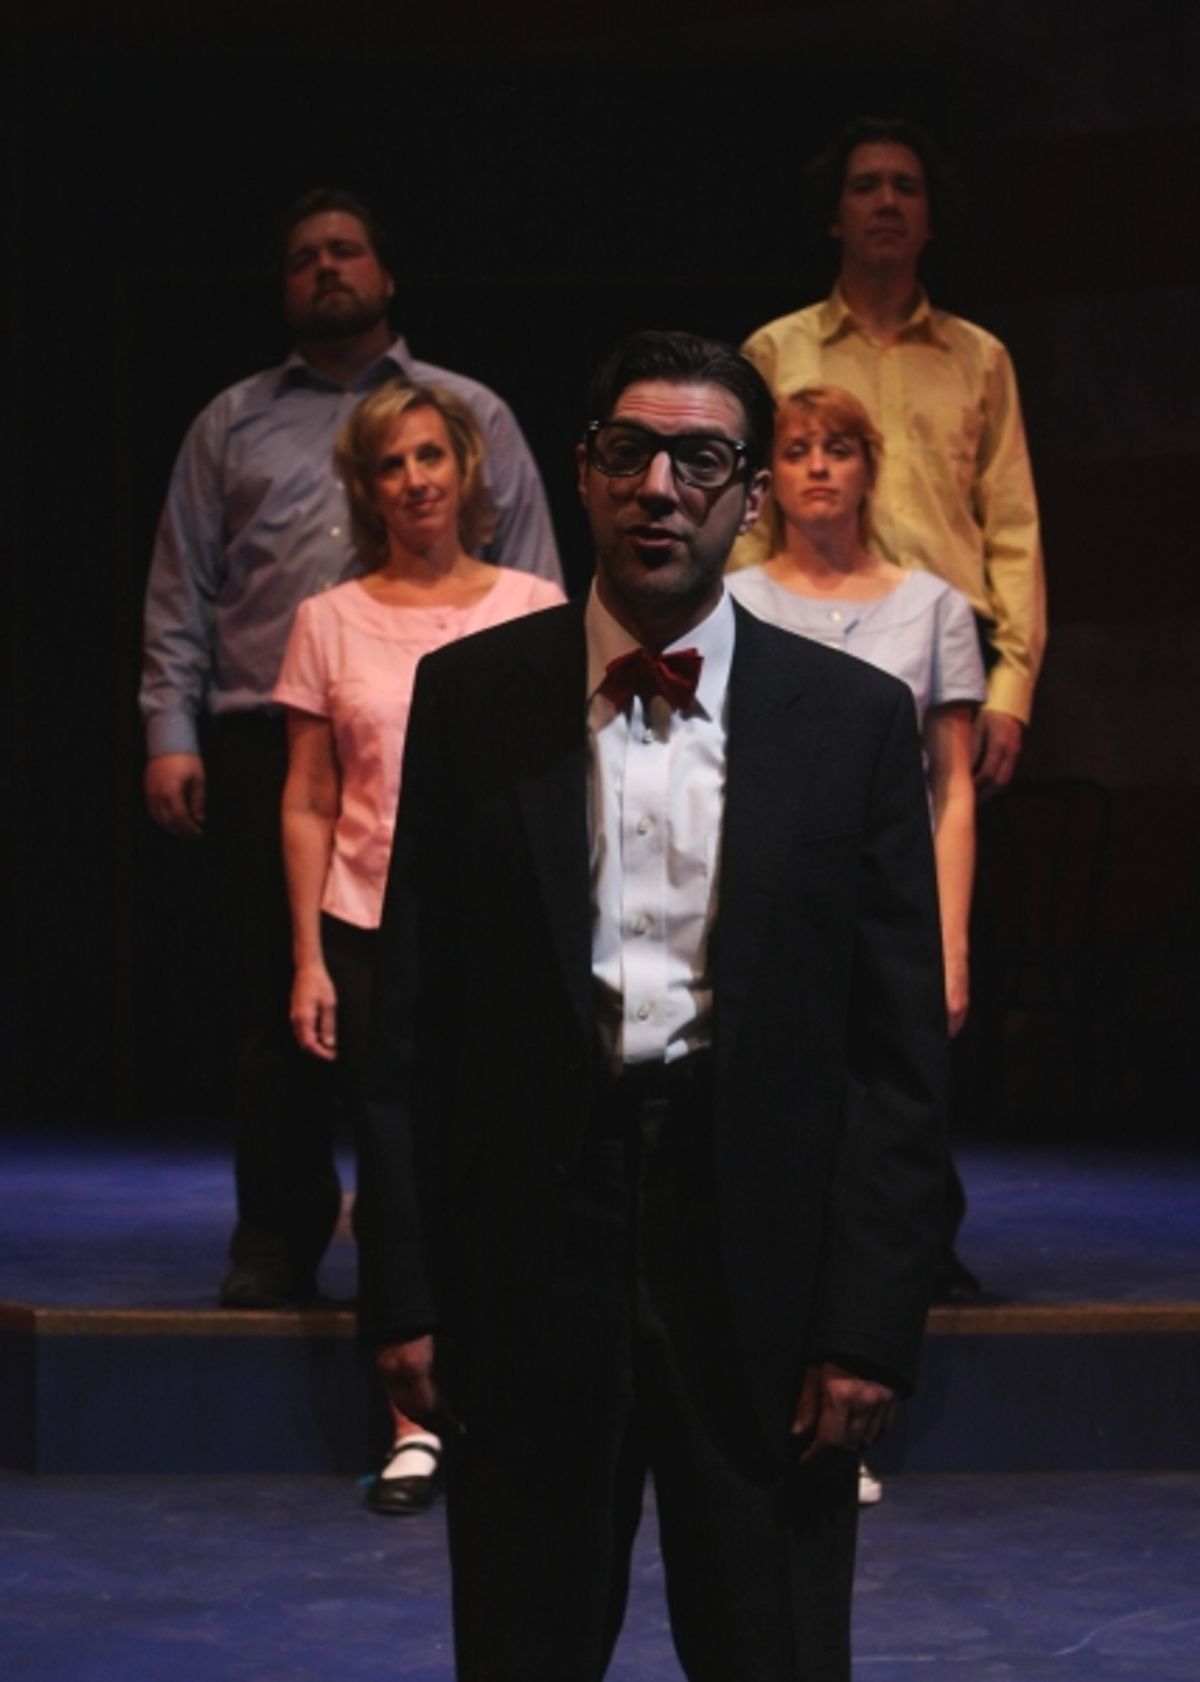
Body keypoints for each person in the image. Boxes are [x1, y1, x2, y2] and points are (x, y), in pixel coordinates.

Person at [357, 330, 948, 1680]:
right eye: (630, 453)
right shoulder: (470, 698)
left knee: (774, 1646)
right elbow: (412, 1035)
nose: (661, 486)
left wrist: (868, 1323)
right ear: (584, 476)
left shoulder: (850, 719)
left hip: (763, 1258)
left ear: (748, 492)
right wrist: (400, 1290)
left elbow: (895, 1056)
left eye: (702, 458)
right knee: (524, 1640)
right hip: (529, 1250)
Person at [140, 188, 562, 1309]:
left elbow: (536, 583)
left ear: (386, 274)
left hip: (452, 750)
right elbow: (185, 584)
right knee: (286, 997)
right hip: (269, 740)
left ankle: (450, 1237)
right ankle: (279, 1232)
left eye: (347, 250)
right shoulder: (231, 421)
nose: (326, 268)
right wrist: (166, 729)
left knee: (457, 1020)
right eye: (302, 257)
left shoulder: (470, 411)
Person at [274, 378, 563, 1511]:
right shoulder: (327, 618)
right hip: (369, 923)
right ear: (367, 485)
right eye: (391, 464)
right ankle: (412, 1418)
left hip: (506, 924)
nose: (415, 480)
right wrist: (305, 952)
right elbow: (307, 798)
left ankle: (519, 1390)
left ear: (467, 469)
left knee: (514, 1151)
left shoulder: (536, 604)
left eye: (432, 456)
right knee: (393, 1168)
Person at [729, 385, 985, 1477]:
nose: (820, 467)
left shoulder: (932, 606)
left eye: (841, 448)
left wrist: (951, 938)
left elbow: (954, 787)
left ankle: (848, 1384)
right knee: (779, 1143)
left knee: (875, 1124)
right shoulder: (732, 598)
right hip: (769, 911)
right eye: (797, 449)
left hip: (885, 907)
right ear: (768, 477)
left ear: (872, 470)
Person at [735, 116, 1045, 798]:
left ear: (931, 218)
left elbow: (1014, 528)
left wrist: (1010, 690)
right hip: (803, 636)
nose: (886, 202)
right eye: (866, 186)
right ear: (835, 216)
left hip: (951, 662)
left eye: (906, 187)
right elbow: (746, 519)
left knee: (941, 867)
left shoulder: (980, 358)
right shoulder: (775, 352)